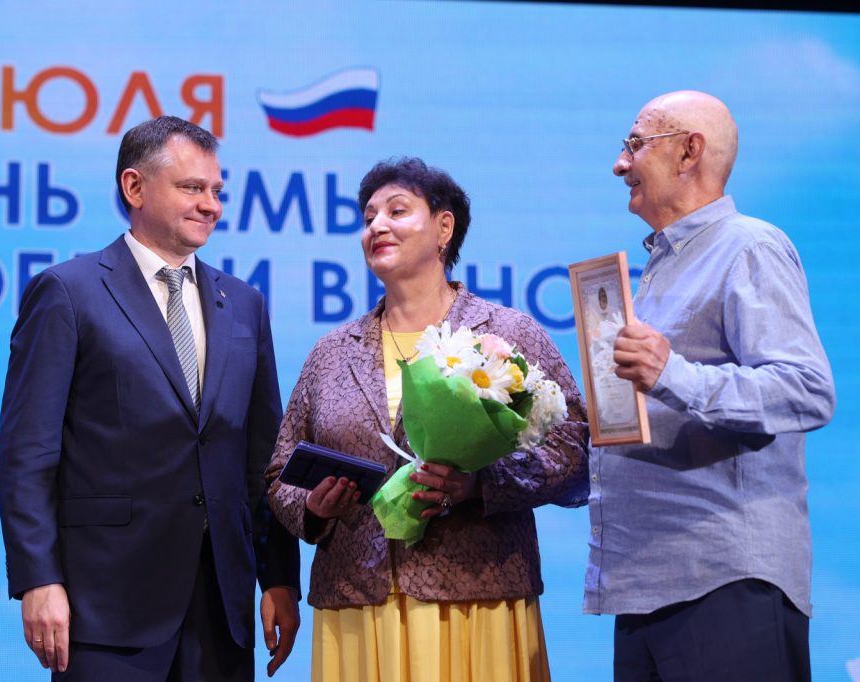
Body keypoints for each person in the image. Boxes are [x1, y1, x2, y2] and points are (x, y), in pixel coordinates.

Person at [0, 115, 300, 681]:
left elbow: (263, 456)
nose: (211, 205)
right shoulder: (68, 292)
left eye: (217, 191)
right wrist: (39, 579)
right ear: (134, 187)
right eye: (192, 187)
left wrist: (279, 577)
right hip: (106, 606)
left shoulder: (245, 304)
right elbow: (27, 454)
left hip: (222, 606)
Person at [265, 157, 589, 681]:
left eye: (397, 211)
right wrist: (313, 508)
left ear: (444, 228)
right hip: (356, 600)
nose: (377, 226)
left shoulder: (505, 334)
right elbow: (280, 473)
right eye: (368, 217)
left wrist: (480, 485)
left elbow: (573, 452)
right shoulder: (331, 352)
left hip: (476, 594)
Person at [587, 91, 836, 681]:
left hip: (725, 579)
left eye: (634, 145)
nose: (619, 165)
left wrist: (672, 374)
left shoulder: (750, 246)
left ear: (689, 151)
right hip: (643, 583)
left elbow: (806, 389)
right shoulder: (657, 269)